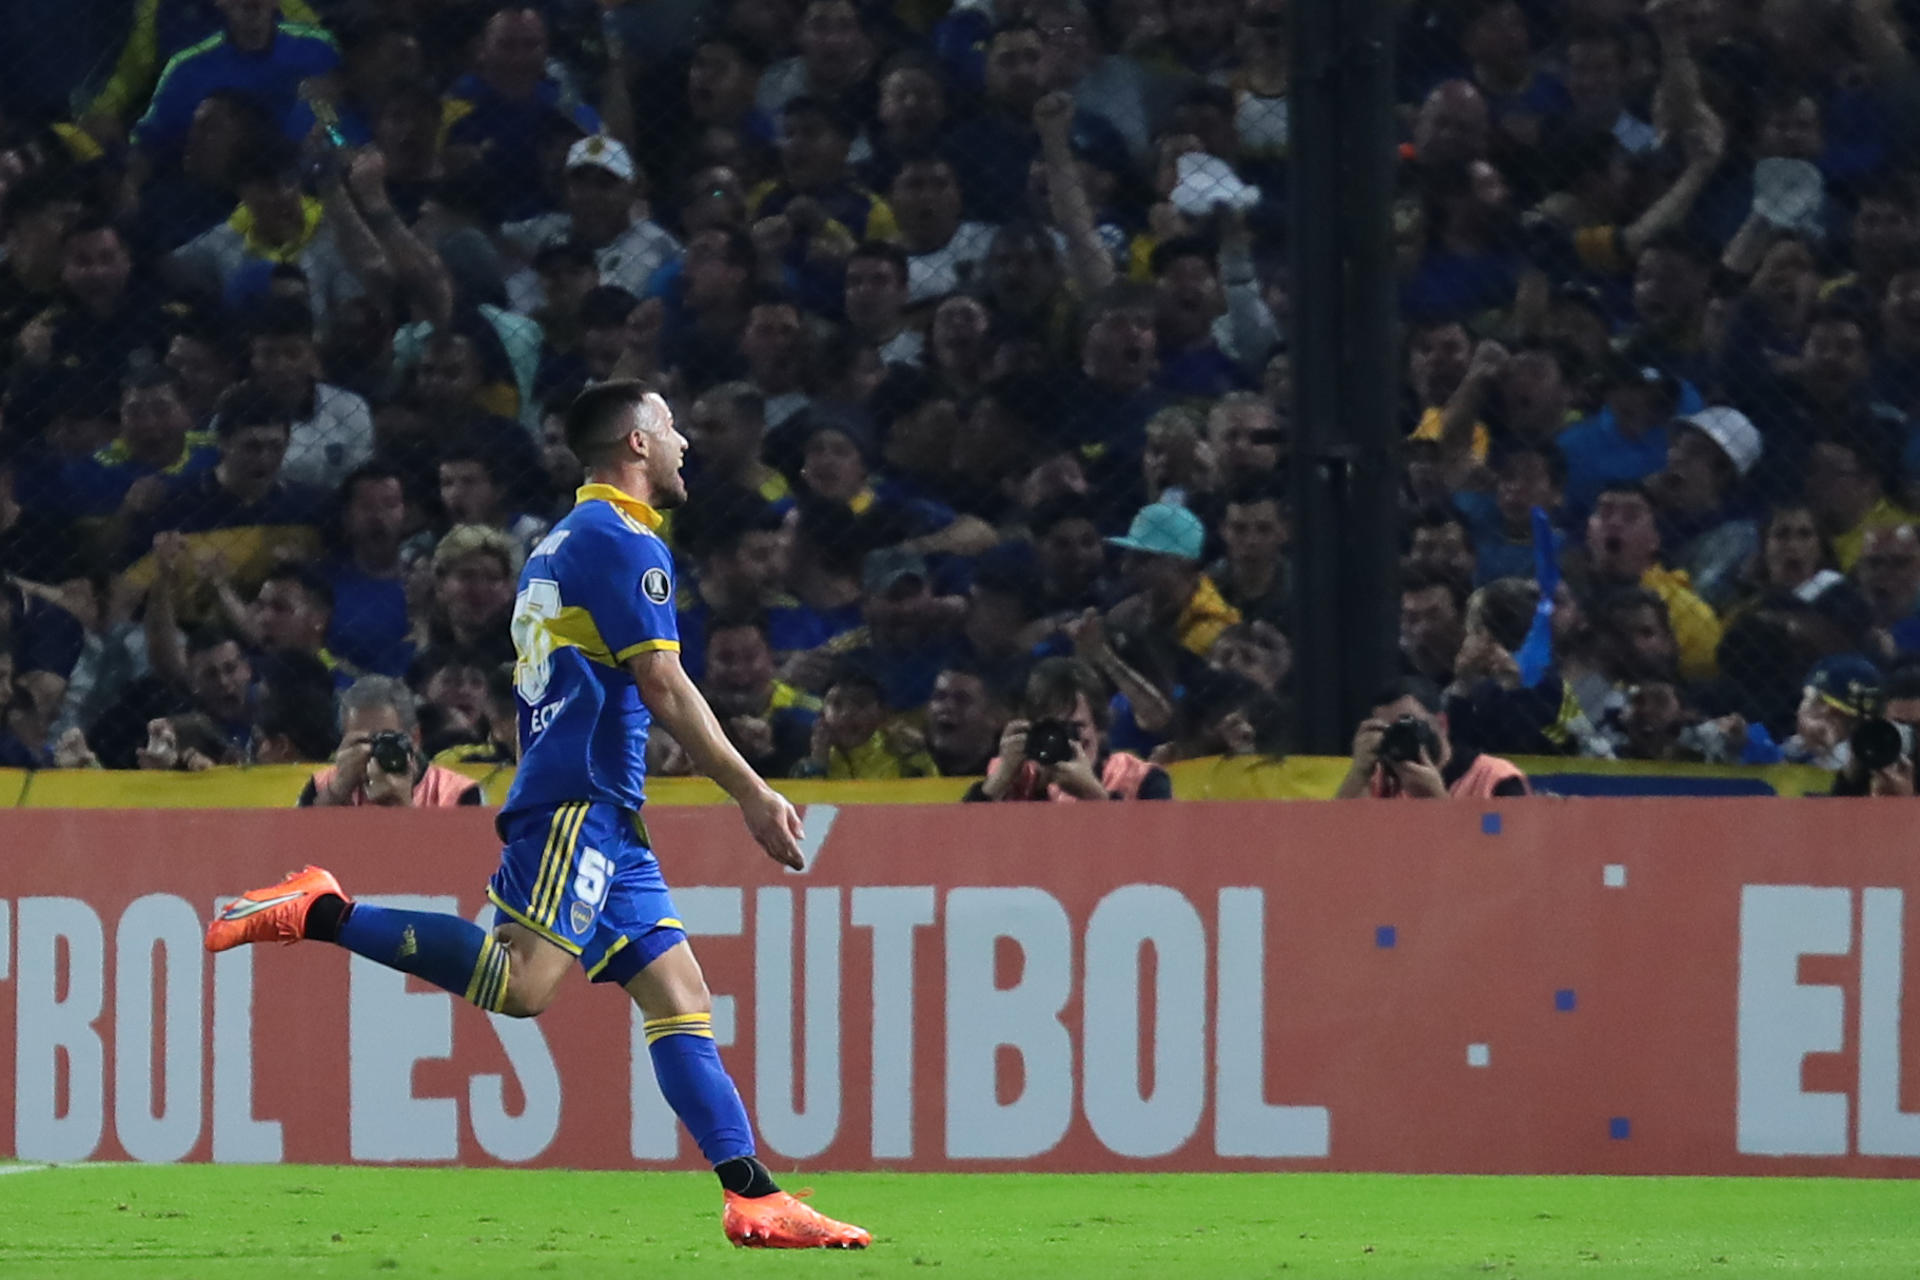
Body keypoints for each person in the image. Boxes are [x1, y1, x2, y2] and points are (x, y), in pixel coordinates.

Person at [205, 381, 869, 1250]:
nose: (684, 445)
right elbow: (662, 684)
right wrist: (751, 790)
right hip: (577, 802)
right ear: (634, 443)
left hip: (606, 808)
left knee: (679, 995)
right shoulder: (620, 540)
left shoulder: (568, 538)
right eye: (669, 429)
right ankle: (323, 909)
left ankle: (753, 1197)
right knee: (521, 986)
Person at [964, 656, 1172, 801]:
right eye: (1052, 730)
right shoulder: (1012, 779)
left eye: (1075, 729)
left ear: (1099, 728)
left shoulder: (1140, 780)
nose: (1062, 741)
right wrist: (998, 782)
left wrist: (1095, 796)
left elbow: (1154, 851)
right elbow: (957, 841)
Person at [295, 676, 483, 807]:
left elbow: (460, 858)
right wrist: (336, 792)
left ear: (415, 738)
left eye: (385, 739)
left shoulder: (459, 792)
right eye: (361, 742)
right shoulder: (320, 786)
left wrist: (401, 804)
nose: (373, 752)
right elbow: (299, 850)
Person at [1335, 675, 1531, 799]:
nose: (1399, 737)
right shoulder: (1379, 782)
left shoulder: (1495, 778)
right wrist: (1358, 774)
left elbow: (1507, 855)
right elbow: (1332, 845)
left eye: (1407, 724)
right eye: (1387, 730)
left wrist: (1436, 800)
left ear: (1442, 724)